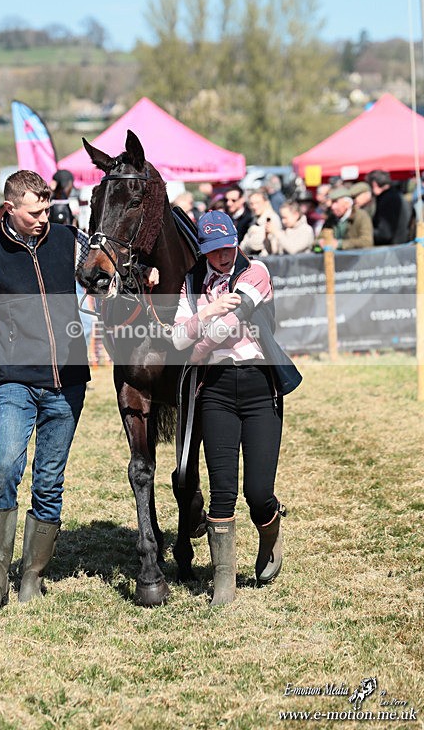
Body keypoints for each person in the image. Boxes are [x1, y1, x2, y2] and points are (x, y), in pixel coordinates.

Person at [0, 170, 90, 612]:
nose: (45, 218)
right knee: (5, 466)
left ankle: (33, 575)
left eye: (47, 209)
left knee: (48, 479)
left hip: (68, 383)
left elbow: (109, 280)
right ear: (10, 208)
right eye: (35, 211)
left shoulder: (71, 240)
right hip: (15, 382)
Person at [172, 210, 301, 605]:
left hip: (261, 387)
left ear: (235, 240)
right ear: (203, 250)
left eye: (227, 247)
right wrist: (208, 311)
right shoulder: (192, 282)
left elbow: (220, 328)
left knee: (258, 492)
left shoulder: (255, 271)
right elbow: (177, 341)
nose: (222, 256)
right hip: (216, 391)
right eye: (213, 251)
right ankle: (223, 582)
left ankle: (270, 535)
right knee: (221, 491)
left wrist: (198, 333)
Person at [367, 170, 410, 245]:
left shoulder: (387, 200)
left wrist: (367, 234)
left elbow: (384, 234)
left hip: (393, 249)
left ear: (374, 185)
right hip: (402, 246)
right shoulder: (396, 195)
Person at [240, 188, 282, 256]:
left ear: (266, 202)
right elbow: (243, 246)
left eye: (257, 203)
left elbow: (257, 244)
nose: (254, 206)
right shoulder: (254, 220)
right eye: (251, 204)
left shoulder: (272, 218)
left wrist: (249, 241)